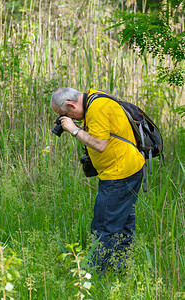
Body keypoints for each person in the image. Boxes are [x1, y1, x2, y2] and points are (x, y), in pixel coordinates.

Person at [51, 87, 145, 273]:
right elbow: (103, 134)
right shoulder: (96, 99)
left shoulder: (96, 109)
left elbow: (100, 145)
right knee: (124, 223)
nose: (70, 119)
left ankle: (92, 276)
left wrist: (73, 130)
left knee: (104, 226)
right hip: (129, 167)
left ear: (71, 104)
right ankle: (121, 270)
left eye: (66, 114)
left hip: (118, 174)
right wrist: (78, 127)